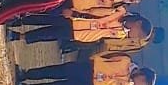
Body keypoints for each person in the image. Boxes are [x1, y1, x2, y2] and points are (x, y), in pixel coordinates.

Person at [17, 53, 156, 85]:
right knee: (57, 71)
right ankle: (27, 74)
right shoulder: (126, 60)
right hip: (89, 69)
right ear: (142, 75)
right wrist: (91, 60)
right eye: (143, 84)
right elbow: (107, 55)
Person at [12, 11, 153, 50]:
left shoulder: (121, 35)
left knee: (49, 34)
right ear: (138, 23)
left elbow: (100, 39)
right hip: (76, 20)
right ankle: (18, 20)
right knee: (46, 19)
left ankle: (19, 36)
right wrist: (76, 14)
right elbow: (96, 12)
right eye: (138, 33)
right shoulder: (120, 11)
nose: (135, 36)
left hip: (80, 34)